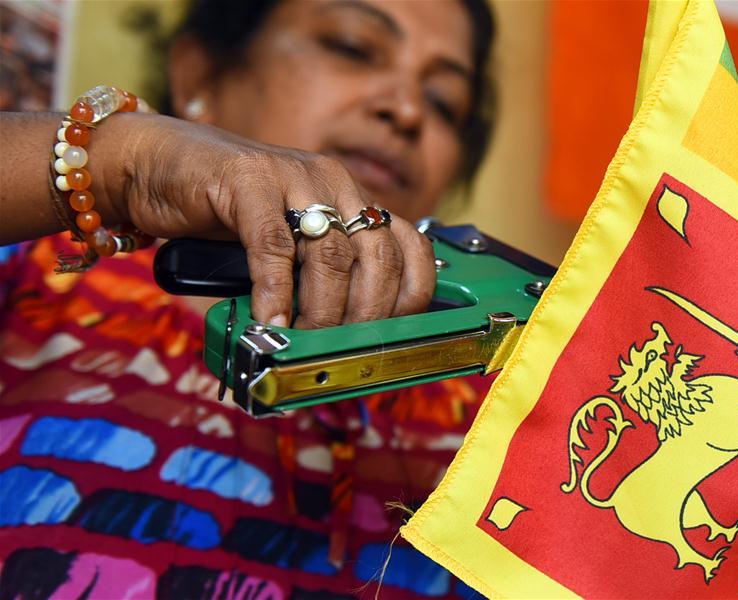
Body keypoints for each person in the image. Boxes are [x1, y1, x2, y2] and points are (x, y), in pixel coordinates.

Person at [0, 0, 495, 597]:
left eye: (444, 102)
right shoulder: (37, 279)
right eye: (351, 46)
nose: (408, 110)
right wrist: (118, 162)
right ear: (200, 76)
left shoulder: (496, 415)